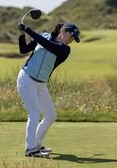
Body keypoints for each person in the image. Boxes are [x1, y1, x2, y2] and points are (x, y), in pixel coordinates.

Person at [16, 22, 80, 157]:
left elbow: (47, 44)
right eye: (71, 35)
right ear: (63, 30)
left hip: (41, 84)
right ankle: (30, 149)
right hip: (26, 78)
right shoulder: (44, 36)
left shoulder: (64, 50)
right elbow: (23, 49)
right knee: (34, 113)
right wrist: (22, 34)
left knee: (50, 116)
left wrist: (27, 29)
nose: (71, 39)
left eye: (74, 38)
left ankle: (37, 145)